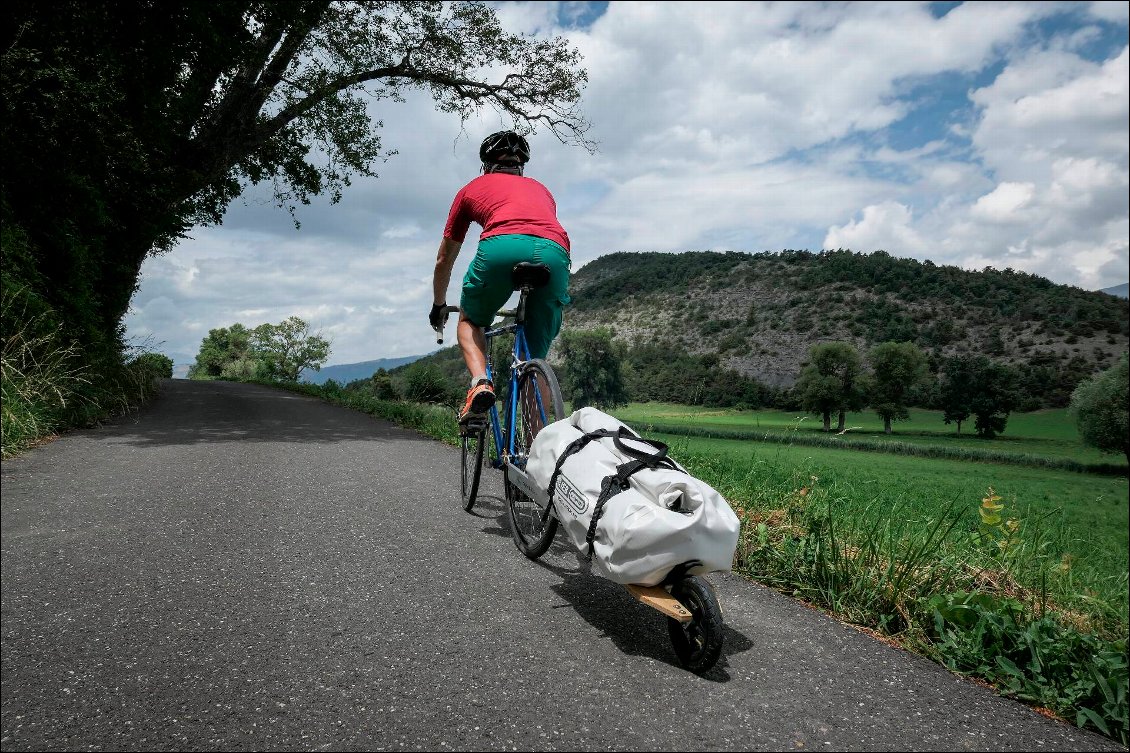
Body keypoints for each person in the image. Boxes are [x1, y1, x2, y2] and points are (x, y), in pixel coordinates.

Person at [429, 130, 571, 423]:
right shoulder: (541, 190)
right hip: (555, 253)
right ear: (521, 167)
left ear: (486, 165)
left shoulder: (471, 189)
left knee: (471, 320)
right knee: (534, 359)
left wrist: (438, 304)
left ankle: (480, 383)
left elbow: (445, 257)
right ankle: (541, 450)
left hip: (501, 247)